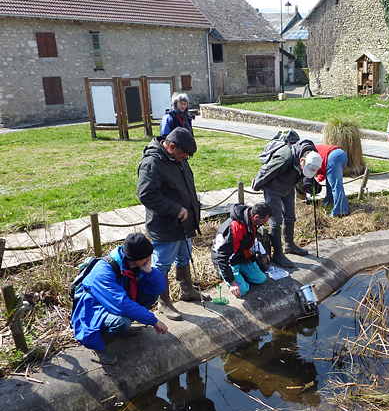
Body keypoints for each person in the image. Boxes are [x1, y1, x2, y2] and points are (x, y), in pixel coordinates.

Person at [137, 127, 209, 322]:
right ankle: (163, 302)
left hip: (184, 223)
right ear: (171, 146)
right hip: (165, 225)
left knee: (184, 256)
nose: (185, 158)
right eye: (183, 154)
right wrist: (175, 209)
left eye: (187, 155)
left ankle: (187, 290)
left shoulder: (178, 158)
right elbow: (146, 194)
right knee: (162, 264)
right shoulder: (152, 163)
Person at [71, 233, 169, 365]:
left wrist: (149, 271)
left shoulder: (133, 264)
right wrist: (154, 321)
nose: (148, 259)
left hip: (113, 303)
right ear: (134, 259)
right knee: (121, 321)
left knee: (151, 294)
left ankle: (123, 330)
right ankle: (100, 345)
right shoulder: (103, 271)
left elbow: (159, 287)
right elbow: (122, 305)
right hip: (93, 311)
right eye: (146, 258)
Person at [252, 140, 322, 268]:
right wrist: (258, 184)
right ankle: (278, 254)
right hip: (273, 189)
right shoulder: (285, 158)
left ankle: (289, 244)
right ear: (302, 160)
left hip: (289, 186)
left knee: (290, 215)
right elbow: (266, 170)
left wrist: (310, 183)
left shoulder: (313, 155)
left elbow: (308, 173)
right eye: (304, 168)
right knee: (275, 220)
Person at [211, 202, 272, 298]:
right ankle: (227, 274)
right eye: (264, 221)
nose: (264, 224)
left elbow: (253, 240)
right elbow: (222, 257)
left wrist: (263, 254)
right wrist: (232, 282)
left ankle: (241, 275)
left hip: (241, 255)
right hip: (228, 260)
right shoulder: (235, 229)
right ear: (256, 217)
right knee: (242, 290)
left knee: (261, 279)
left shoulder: (250, 220)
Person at [314, 144, 349, 217]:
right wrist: (319, 177)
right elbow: (322, 165)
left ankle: (340, 211)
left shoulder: (307, 157)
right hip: (340, 154)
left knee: (336, 186)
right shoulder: (310, 149)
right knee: (330, 184)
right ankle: (328, 203)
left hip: (333, 158)